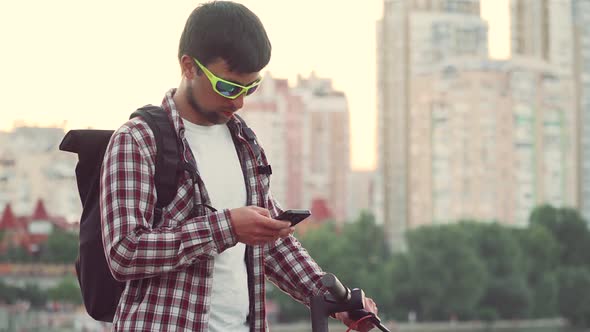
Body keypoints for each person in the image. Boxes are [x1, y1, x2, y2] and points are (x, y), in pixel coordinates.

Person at [100, 1, 378, 331]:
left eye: (251, 88)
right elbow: (124, 252)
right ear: (189, 67)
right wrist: (228, 228)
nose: (239, 101)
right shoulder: (138, 140)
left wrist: (334, 300)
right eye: (229, 86)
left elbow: (274, 244)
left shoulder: (244, 142)